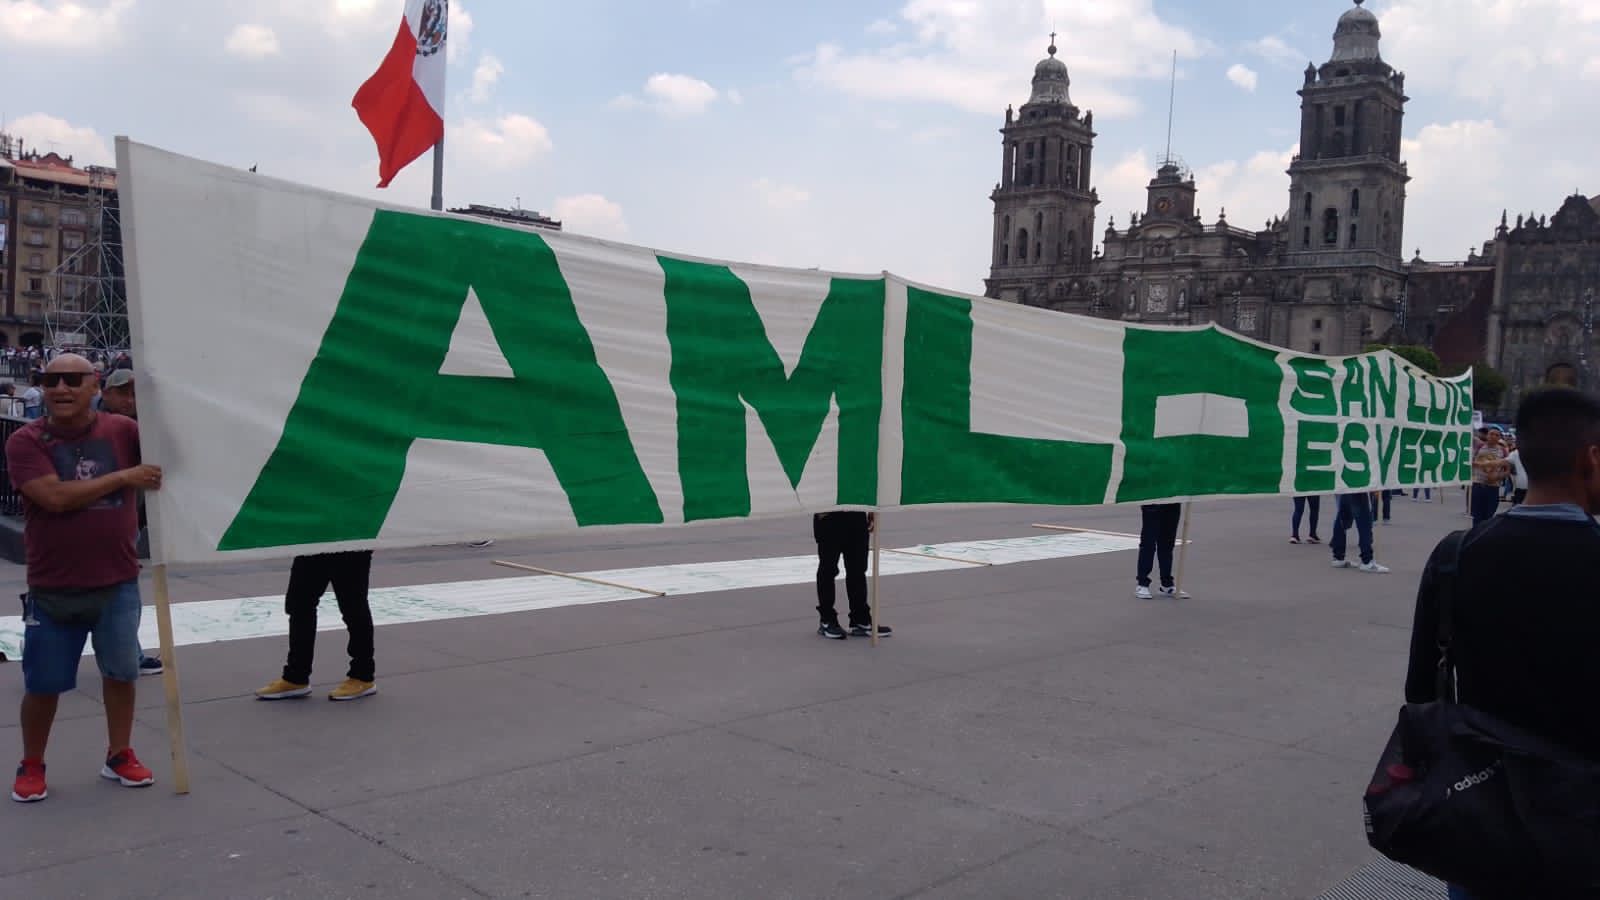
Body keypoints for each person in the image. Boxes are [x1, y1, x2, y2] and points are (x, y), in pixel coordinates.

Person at [1403, 388, 1600, 900]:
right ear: (1591, 458)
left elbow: (1421, 693)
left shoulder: (1455, 557)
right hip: (1583, 829)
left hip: (1483, 816)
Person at [8, 354, 164, 803]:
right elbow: (53, 497)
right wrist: (125, 477)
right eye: (50, 379)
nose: (60, 388)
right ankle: (32, 763)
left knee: (121, 675)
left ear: (94, 383)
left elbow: (175, 454)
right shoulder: (25, 441)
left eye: (72, 380)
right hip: (52, 588)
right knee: (43, 686)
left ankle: (119, 755)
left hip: (117, 584)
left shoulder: (125, 432)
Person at [100, 369, 162, 676]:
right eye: (123, 392)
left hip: (127, 522)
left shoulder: (140, 428)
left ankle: (128, 651)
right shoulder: (93, 427)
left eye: (135, 394)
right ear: (106, 393)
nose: (130, 400)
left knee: (123, 589)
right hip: (96, 521)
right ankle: (126, 653)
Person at [256, 550, 381, 701]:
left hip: (349, 541)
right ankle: (296, 677)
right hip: (315, 540)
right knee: (299, 604)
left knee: (353, 607)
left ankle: (363, 676)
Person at [812, 511, 891, 639]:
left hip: (856, 515)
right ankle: (827, 619)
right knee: (828, 569)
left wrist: (873, 510)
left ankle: (860, 620)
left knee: (858, 570)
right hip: (829, 515)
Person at [1134, 503, 1189, 599]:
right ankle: (1142, 584)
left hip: (1173, 500)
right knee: (1148, 542)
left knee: (1168, 543)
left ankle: (1166, 584)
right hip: (1154, 500)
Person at [1329, 489, 1389, 574]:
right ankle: (1367, 561)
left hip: (1346, 484)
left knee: (1342, 517)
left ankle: (1338, 556)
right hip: (1358, 485)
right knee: (1364, 520)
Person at [1469, 427, 1509, 525]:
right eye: (1491, 434)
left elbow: (1508, 471)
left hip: (1493, 487)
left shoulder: (1503, 451)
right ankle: (1475, 536)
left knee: (1489, 516)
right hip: (1478, 485)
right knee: (1476, 516)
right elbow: (1471, 462)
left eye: (1497, 435)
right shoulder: (1479, 447)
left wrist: (1497, 477)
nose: (1493, 436)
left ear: (1500, 437)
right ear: (1487, 435)